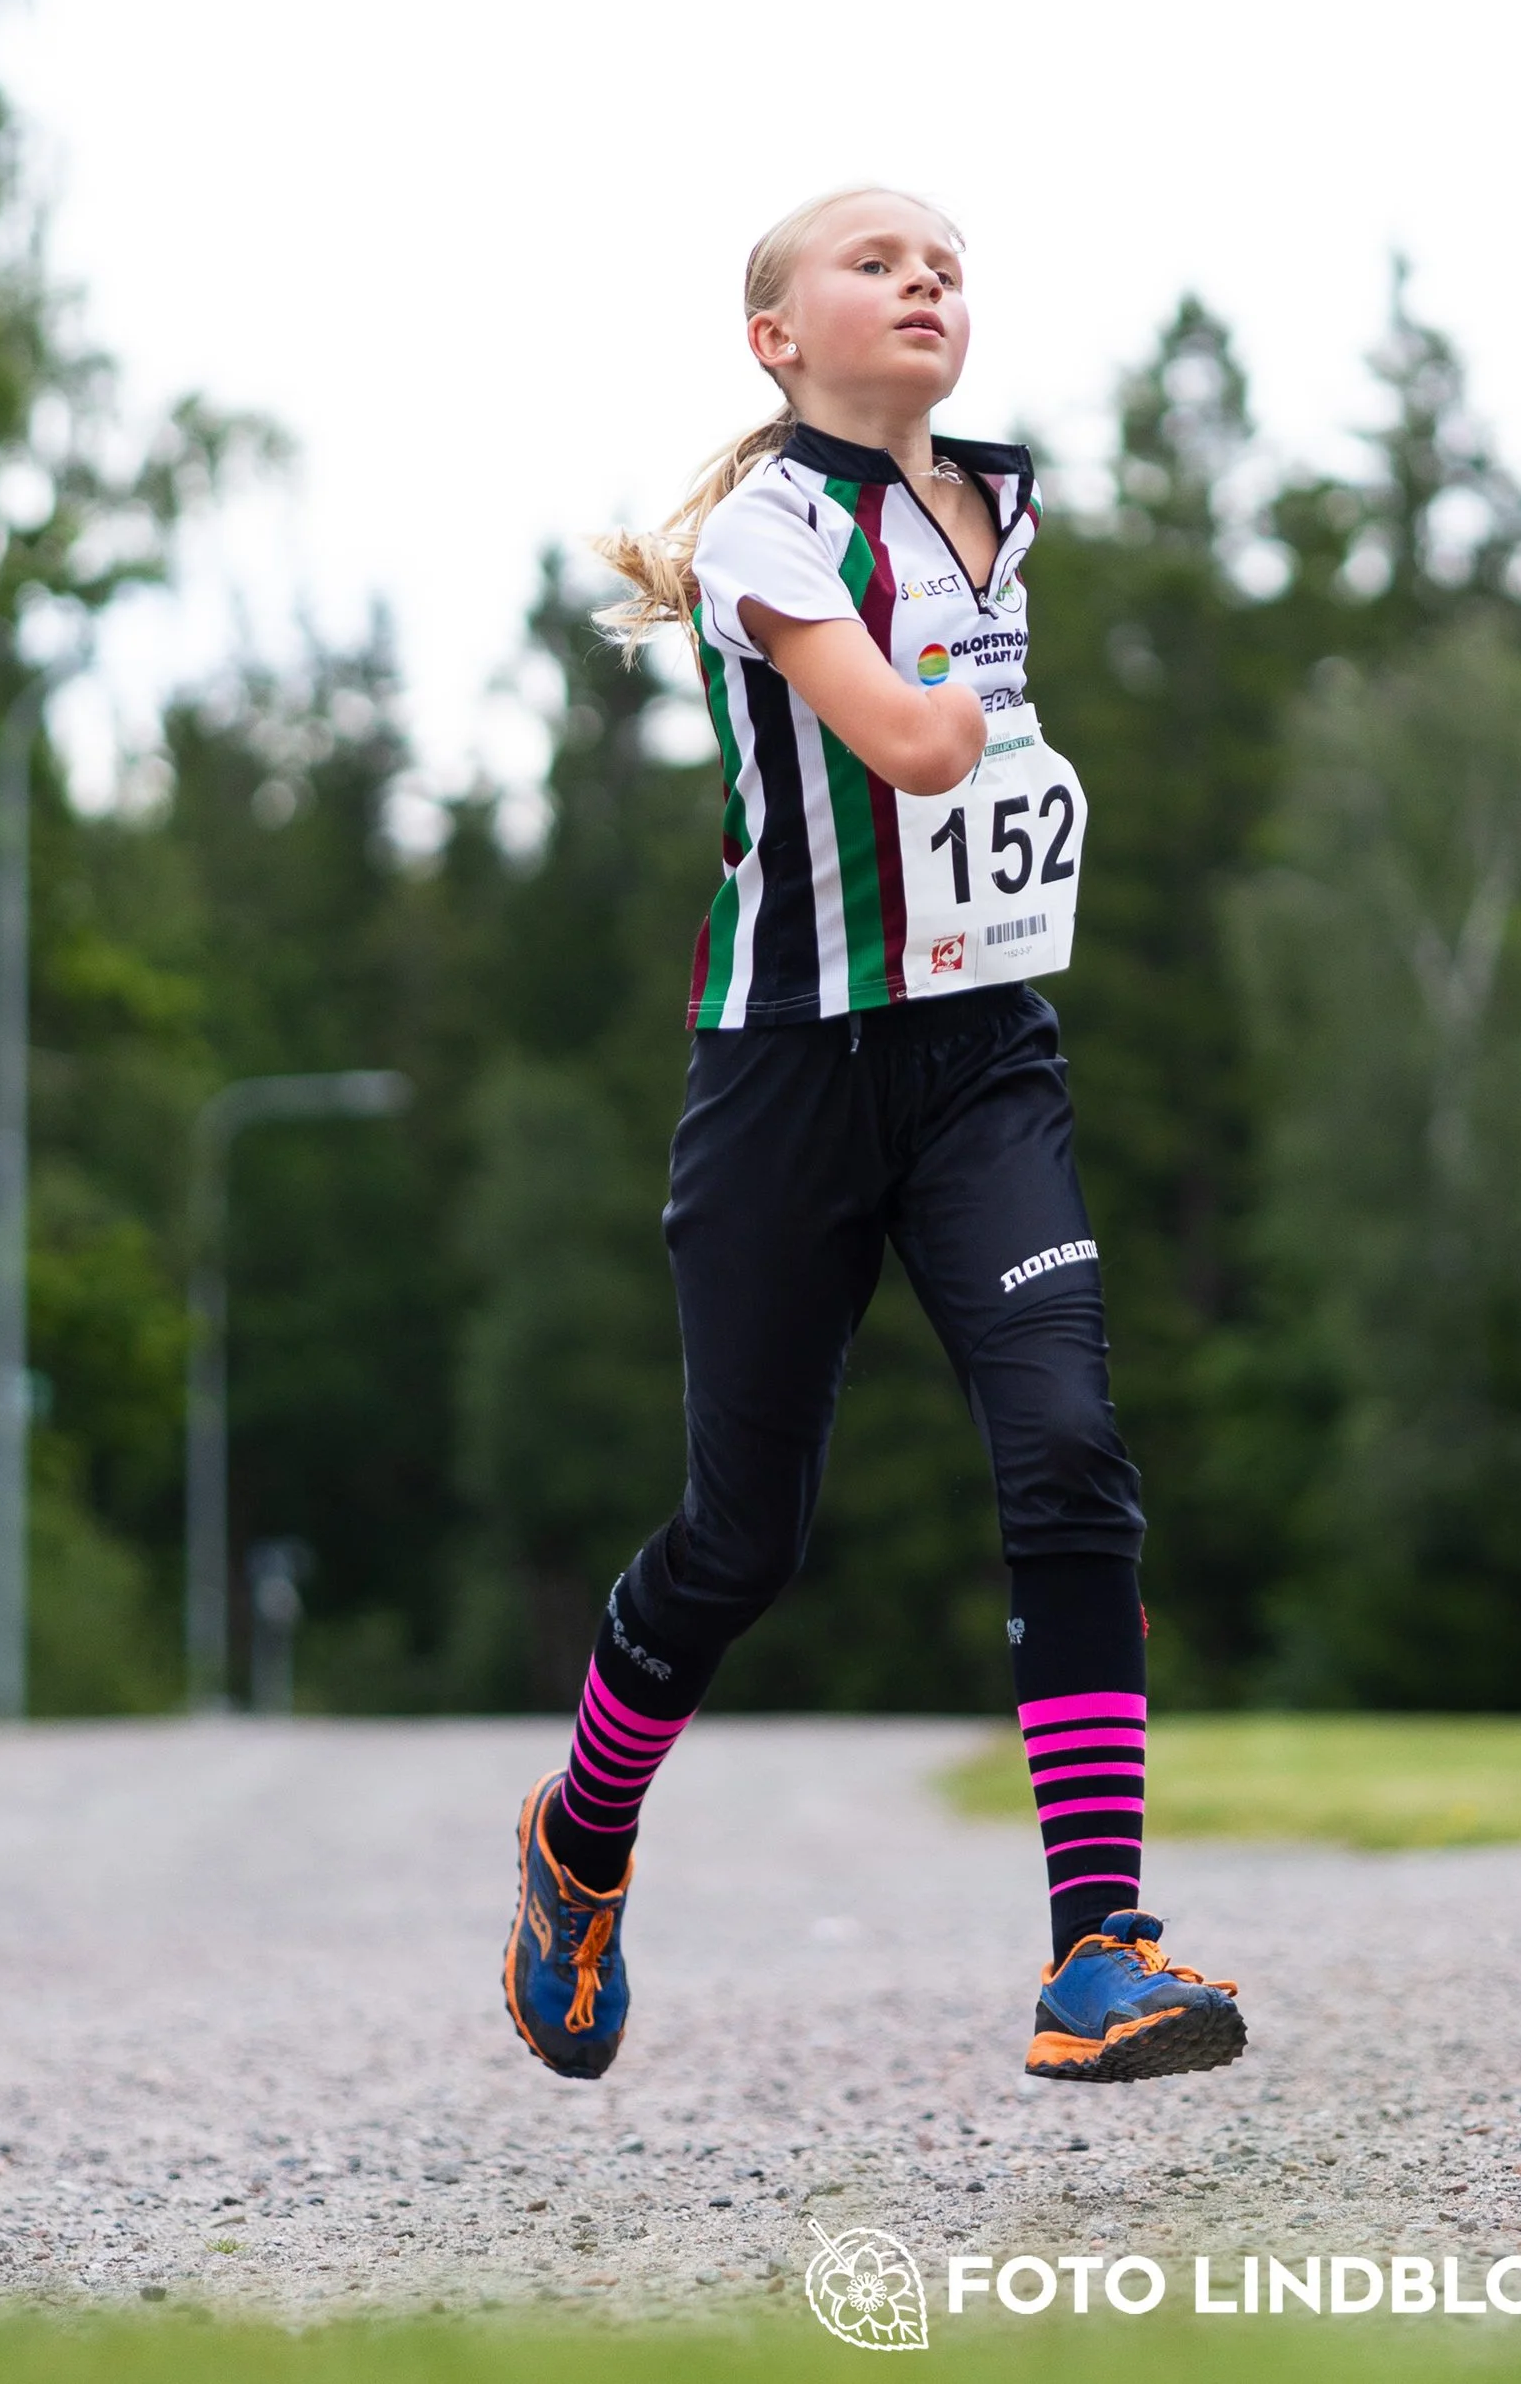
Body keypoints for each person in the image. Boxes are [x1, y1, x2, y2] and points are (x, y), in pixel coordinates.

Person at [501, 186, 1246, 2091]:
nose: (924, 280)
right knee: (742, 1543)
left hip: (982, 1054)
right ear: (776, 337)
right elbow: (912, 749)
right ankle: (580, 1840)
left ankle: (1100, 1953)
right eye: (873, 261)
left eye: (947, 265)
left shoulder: (1001, 495)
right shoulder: (769, 526)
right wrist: (968, 718)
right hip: (788, 1078)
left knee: (1070, 1451)